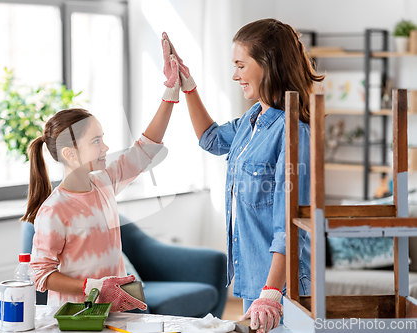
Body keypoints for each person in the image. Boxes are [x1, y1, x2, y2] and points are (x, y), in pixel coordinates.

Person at [162, 18, 324, 332]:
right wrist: (187, 84)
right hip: (254, 282)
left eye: (240, 65)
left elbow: (289, 227)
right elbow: (211, 139)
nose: (235, 75)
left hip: (283, 289)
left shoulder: (295, 134)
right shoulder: (252, 119)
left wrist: (272, 292)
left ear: (268, 64)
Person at [20, 52, 183, 311]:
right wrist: (92, 287)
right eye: (96, 141)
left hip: (116, 312)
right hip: (77, 319)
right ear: (70, 154)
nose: (106, 147)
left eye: (103, 138)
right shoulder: (54, 210)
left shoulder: (103, 182)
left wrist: (170, 94)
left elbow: (144, 150)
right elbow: (41, 275)